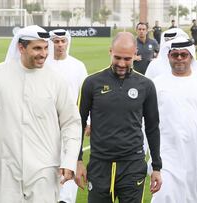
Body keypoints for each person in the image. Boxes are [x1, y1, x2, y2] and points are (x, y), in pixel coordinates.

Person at [0, 25, 82, 202]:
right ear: (21, 48)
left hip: (44, 171)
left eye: (46, 47)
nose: (44, 53)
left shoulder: (56, 79)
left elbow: (71, 123)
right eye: (37, 48)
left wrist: (69, 160)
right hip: (4, 170)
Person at [75, 32, 162, 203]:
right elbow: (78, 123)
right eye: (117, 57)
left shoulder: (146, 86)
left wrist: (156, 167)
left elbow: (152, 127)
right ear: (110, 52)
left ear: (135, 55)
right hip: (100, 164)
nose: (122, 64)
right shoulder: (91, 83)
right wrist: (77, 161)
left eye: (127, 59)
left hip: (132, 165)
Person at [150, 37, 197, 203]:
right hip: (166, 155)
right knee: (164, 195)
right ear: (168, 57)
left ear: (192, 57)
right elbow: (144, 121)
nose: (180, 58)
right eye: (175, 55)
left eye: (184, 54)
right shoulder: (156, 84)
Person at [46, 29, 89, 203]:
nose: (60, 45)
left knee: (69, 159)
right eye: (56, 41)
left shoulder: (77, 66)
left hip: (71, 123)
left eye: (63, 41)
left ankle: (66, 199)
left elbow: (86, 96)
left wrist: (89, 122)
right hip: (46, 124)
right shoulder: (44, 64)